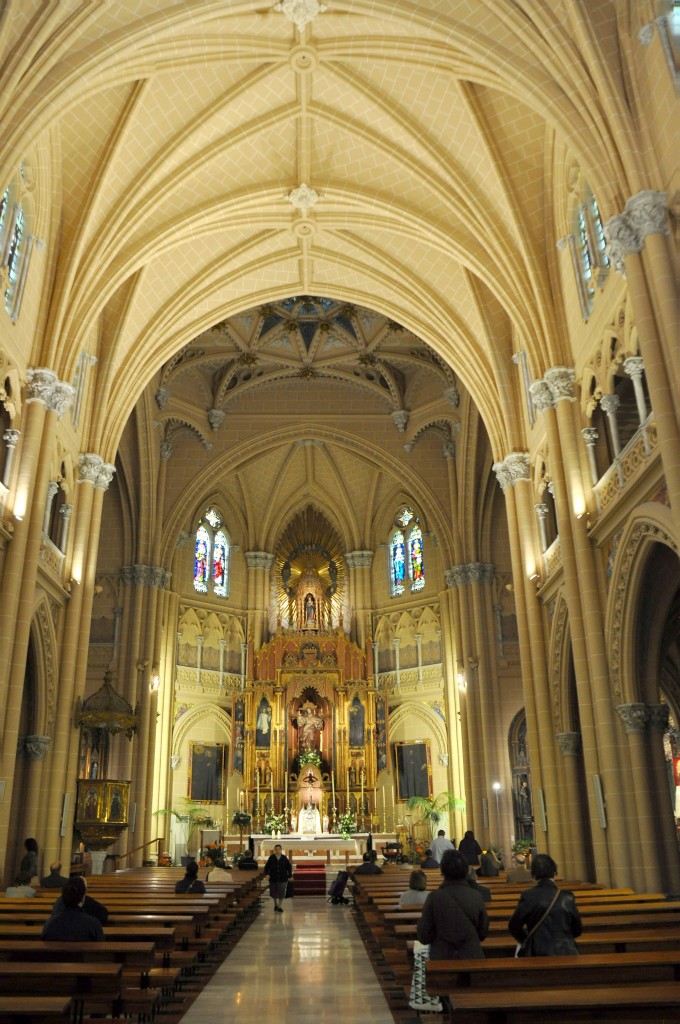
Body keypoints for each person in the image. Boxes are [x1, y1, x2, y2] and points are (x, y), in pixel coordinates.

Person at [417, 850, 489, 960]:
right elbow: (482, 933)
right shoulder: (476, 896)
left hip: (442, 957)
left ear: (443, 870)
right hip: (471, 956)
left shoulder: (434, 897)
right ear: (465, 870)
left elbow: (424, 936)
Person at [508, 853, 582, 956]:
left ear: (534, 874)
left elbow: (514, 926)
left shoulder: (528, 896)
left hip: (537, 952)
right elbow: (578, 929)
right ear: (554, 872)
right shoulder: (566, 897)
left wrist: (527, 939)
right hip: (565, 951)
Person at [42, 877, 104, 941]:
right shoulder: (94, 924)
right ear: (82, 899)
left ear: (63, 897)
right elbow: (100, 944)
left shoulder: (50, 924)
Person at [264, 843, 292, 913]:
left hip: (282, 878)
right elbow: (267, 867)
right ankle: (276, 904)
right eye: (276, 849)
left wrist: (290, 875)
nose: (277, 851)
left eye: (279, 849)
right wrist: (267, 874)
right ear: (274, 850)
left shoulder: (284, 858)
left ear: (281, 850)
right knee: (274, 892)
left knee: (281, 892)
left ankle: (280, 906)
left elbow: (289, 867)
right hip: (273, 878)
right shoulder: (271, 858)